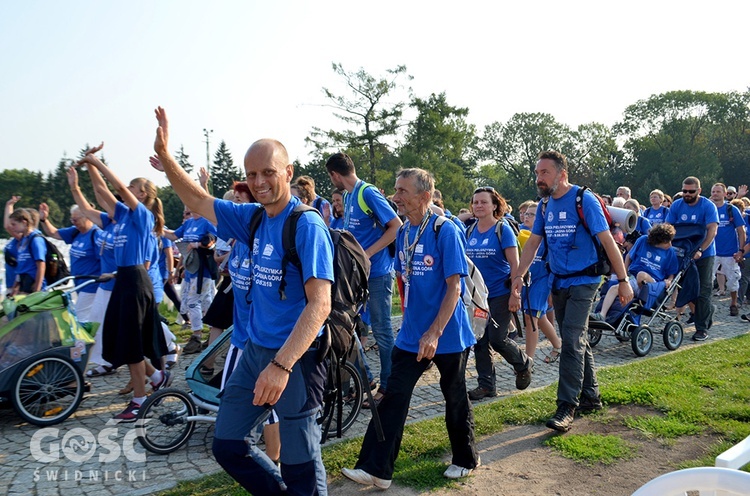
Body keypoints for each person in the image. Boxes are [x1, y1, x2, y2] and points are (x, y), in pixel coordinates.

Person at [153, 107, 333, 495]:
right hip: (255, 350)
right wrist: (167, 157)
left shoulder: (306, 224)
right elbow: (200, 201)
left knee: (301, 462)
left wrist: (282, 366)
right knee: (229, 444)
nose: (259, 181)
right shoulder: (252, 217)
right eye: (252, 174)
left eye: (268, 172)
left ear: (288, 172)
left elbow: (320, 305)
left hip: (295, 358)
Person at [342, 168, 479, 489]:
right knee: (394, 396)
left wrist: (433, 332)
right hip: (411, 334)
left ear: (425, 196)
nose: (395, 197)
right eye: (395, 190)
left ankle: (466, 459)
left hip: (448, 334)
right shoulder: (403, 232)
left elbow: (454, 288)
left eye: (402, 191)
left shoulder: (445, 230)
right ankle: (376, 469)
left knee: (454, 395)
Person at [510, 150, 632, 432]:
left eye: (545, 173)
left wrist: (623, 279)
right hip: (559, 280)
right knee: (574, 338)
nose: (539, 178)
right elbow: (533, 244)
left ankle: (567, 405)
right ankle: (591, 395)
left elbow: (608, 242)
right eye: (537, 173)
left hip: (585, 281)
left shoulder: (583, 200)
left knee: (572, 340)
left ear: (562, 174)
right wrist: (519, 275)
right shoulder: (543, 206)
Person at [76, 144, 171, 421]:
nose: (125, 189)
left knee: (131, 344)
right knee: (122, 341)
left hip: (136, 281)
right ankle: (157, 376)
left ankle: (140, 400)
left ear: (141, 194)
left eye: (131, 188)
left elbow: (115, 185)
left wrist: (98, 162)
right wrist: (91, 167)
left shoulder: (142, 215)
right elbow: (100, 193)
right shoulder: (120, 217)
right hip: (123, 280)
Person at [326, 152, 402, 406]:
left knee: (381, 331)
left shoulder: (366, 192)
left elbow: (396, 226)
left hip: (378, 273)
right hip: (356, 275)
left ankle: (390, 388)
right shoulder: (347, 196)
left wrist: (367, 254)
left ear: (335, 174)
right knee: (346, 325)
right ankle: (364, 379)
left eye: (331, 176)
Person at [465, 187, 532, 401]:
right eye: (475, 202)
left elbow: (515, 264)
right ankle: (486, 386)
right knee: (480, 341)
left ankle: (523, 363)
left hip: (500, 293)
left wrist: (515, 294)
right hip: (477, 297)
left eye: (483, 202)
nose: (478, 206)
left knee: (497, 338)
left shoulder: (502, 230)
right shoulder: (469, 231)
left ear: (495, 206)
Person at [590, 223, 679, 321]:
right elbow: (629, 256)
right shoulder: (643, 240)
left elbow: (672, 272)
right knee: (614, 288)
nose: (670, 244)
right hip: (635, 279)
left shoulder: (669, 251)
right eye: (667, 241)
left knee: (642, 275)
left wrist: (669, 280)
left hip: (653, 284)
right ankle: (602, 315)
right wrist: (624, 274)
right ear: (659, 240)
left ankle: (640, 297)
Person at [666, 177, 719, 341]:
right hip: (683, 252)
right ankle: (708, 310)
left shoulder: (707, 206)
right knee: (687, 288)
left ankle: (701, 328)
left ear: (699, 191)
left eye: (691, 191)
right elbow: (668, 228)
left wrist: (701, 249)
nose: (687, 194)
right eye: (684, 191)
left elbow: (712, 230)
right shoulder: (676, 206)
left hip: (704, 253)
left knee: (703, 290)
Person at [164, 204, 218, 354]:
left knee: (194, 301)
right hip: (190, 269)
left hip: (203, 270)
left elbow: (214, 239)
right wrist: (158, 228)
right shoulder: (188, 223)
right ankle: (213, 332)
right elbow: (174, 236)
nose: (188, 206)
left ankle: (197, 335)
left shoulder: (206, 221)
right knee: (203, 302)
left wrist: (198, 244)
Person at [38, 203, 101, 321]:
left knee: (80, 316)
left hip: (91, 284)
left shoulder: (95, 235)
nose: (73, 222)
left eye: (76, 219)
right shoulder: (75, 231)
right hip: (78, 282)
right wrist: (43, 219)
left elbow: (104, 259)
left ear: (87, 216)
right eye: (71, 219)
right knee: (87, 317)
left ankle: (81, 340)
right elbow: (54, 233)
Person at [519, 203, 563, 364]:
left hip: (543, 279)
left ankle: (528, 360)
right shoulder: (520, 233)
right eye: (525, 214)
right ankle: (558, 345)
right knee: (540, 315)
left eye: (531, 214)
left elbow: (554, 262)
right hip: (526, 279)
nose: (526, 217)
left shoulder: (548, 235)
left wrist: (551, 288)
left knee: (530, 316)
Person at [709, 183, 745, 317]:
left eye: (718, 191)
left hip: (730, 252)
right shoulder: (708, 209)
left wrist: (740, 250)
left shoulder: (731, 209)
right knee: (708, 280)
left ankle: (734, 303)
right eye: (713, 191)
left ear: (724, 194)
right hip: (712, 252)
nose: (715, 194)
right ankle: (707, 306)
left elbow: (741, 231)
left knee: (733, 281)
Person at [7, 208, 45, 296]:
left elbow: (41, 265)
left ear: (24, 222)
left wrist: (37, 289)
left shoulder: (36, 239)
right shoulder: (23, 240)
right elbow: (21, 266)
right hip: (23, 280)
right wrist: (15, 287)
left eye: (14, 224)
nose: (12, 227)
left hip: (32, 280)